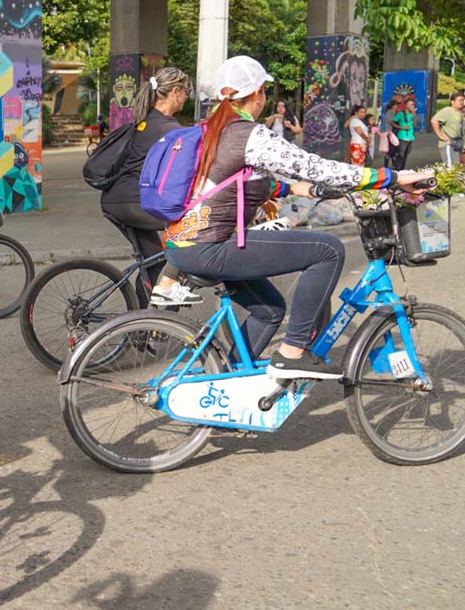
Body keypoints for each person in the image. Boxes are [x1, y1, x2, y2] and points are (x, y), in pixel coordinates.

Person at [163, 56, 430, 381]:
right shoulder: (248, 134)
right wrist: (393, 177)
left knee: (269, 310)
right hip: (211, 245)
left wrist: (294, 189)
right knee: (328, 250)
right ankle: (292, 355)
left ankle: (223, 386)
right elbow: (319, 167)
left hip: (183, 244)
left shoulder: (211, 130)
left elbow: (233, 181)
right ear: (257, 92)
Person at [99, 67, 202, 307]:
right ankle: (159, 308)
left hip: (119, 200)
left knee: (155, 262)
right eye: (185, 91)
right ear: (175, 92)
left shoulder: (148, 122)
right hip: (133, 203)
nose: (187, 96)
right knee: (190, 229)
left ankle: (144, 330)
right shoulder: (169, 129)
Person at [431, 91, 464, 166]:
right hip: (448, 143)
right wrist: (440, 135)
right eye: (459, 100)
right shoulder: (447, 110)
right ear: (452, 101)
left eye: (463, 100)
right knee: (450, 166)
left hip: (457, 143)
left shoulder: (459, 112)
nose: (462, 102)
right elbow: (434, 120)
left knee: (456, 166)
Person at [390, 98, 417, 170]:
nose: (413, 106)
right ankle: (397, 169)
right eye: (411, 105)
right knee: (400, 155)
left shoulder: (412, 115)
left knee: (406, 155)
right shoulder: (400, 114)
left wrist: (414, 115)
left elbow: (415, 125)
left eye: (413, 105)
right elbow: (392, 122)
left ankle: (402, 169)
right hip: (402, 137)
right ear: (406, 105)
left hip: (410, 137)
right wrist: (401, 127)